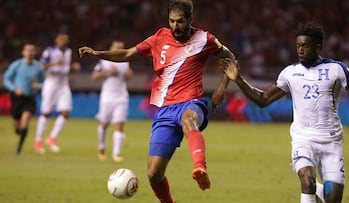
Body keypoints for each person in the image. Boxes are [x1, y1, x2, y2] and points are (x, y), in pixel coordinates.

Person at [79, 0, 235, 202]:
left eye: (180, 21)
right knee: (153, 174)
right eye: (172, 21)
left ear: (190, 19)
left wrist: (222, 88)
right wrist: (97, 54)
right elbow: (127, 53)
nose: (175, 26)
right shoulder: (159, 37)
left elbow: (231, 57)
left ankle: (200, 167)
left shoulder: (205, 39)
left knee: (189, 120)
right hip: (165, 110)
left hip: (192, 102)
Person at [220, 22, 349, 203]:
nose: (300, 50)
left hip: (331, 142)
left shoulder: (337, 69)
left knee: (332, 199)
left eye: (305, 46)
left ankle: (321, 192)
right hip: (304, 139)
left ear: (318, 47)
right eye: (298, 46)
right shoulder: (290, 73)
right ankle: (313, 189)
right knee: (307, 180)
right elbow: (263, 100)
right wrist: (238, 79)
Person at [34, 33, 80, 154]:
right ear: (56, 40)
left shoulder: (69, 51)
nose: (64, 41)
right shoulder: (49, 51)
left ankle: (52, 137)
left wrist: (72, 66)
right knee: (46, 113)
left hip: (63, 84)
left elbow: (64, 66)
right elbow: (40, 65)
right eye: (61, 39)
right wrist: (54, 64)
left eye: (66, 39)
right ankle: (38, 141)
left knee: (65, 112)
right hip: (51, 83)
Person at [91, 41, 133, 163]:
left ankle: (116, 153)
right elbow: (94, 76)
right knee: (104, 124)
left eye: (120, 48)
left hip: (121, 96)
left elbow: (129, 76)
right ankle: (102, 147)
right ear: (111, 48)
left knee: (120, 124)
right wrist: (107, 72)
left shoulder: (125, 61)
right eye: (116, 48)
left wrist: (128, 74)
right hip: (107, 97)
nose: (118, 50)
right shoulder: (104, 61)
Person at [3, 43, 45, 155]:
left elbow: (43, 82)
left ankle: (19, 149)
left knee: (25, 120)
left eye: (32, 51)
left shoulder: (39, 67)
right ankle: (18, 129)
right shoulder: (17, 65)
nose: (30, 53)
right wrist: (14, 88)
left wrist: (39, 86)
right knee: (17, 122)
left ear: (35, 53)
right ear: (23, 52)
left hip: (30, 98)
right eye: (28, 50)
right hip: (17, 97)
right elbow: (6, 79)